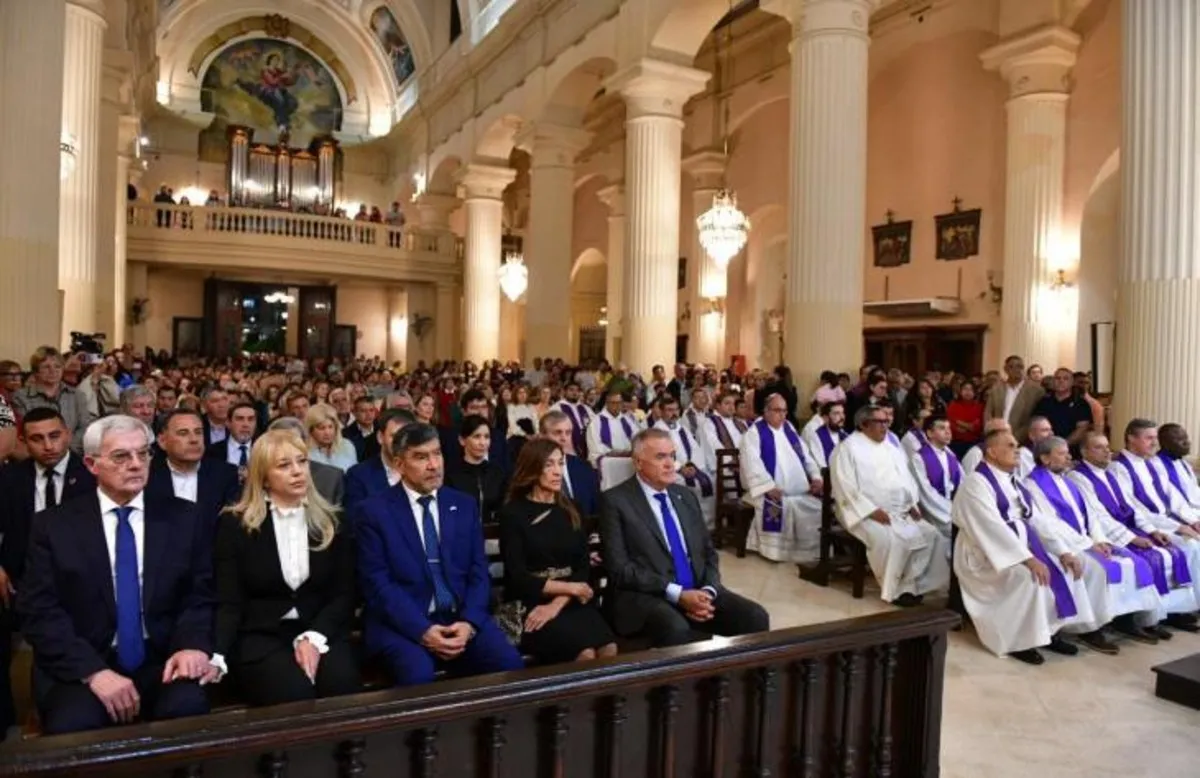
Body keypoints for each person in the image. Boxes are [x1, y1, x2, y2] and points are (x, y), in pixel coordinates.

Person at [19, 415, 216, 734]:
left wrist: (191, 646)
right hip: (85, 661)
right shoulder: (54, 526)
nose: (136, 464)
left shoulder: (184, 518)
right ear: (92, 464)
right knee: (74, 727)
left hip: (161, 657)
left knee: (189, 710)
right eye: (121, 456)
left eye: (144, 453)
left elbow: (199, 595)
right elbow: (39, 611)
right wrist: (94, 673)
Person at [354, 423, 523, 685]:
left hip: (460, 616)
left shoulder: (462, 505)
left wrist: (469, 623)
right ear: (399, 464)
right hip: (403, 623)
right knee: (417, 674)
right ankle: (422, 729)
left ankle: (490, 726)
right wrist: (422, 630)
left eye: (437, 454)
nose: (434, 465)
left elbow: (479, 572)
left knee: (508, 663)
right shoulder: (374, 513)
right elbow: (378, 585)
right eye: (421, 457)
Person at [213, 430, 361, 705]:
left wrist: (314, 638)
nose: (297, 472)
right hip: (262, 635)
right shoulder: (235, 525)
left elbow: (344, 592)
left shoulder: (332, 521)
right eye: (284, 465)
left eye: (301, 461)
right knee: (293, 696)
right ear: (263, 476)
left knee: (342, 689)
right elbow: (229, 599)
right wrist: (217, 653)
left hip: (321, 628)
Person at [599, 428, 769, 647]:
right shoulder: (615, 501)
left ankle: (742, 681)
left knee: (755, 616)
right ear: (638, 462)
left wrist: (708, 590)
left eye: (672, 455)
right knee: (675, 628)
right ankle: (684, 682)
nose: (670, 464)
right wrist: (677, 594)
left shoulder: (685, 496)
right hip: (646, 596)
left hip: (697, 590)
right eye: (660, 457)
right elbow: (620, 569)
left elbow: (708, 552)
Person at [950, 429, 1092, 664]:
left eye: (1016, 444)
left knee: (1062, 567)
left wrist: (1062, 551)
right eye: (1009, 445)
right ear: (992, 452)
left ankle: (1049, 632)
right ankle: (1020, 640)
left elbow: (1036, 520)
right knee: (1030, 578)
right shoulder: (976, 483)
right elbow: (991, 527)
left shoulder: (1013, 481)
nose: (1017, 450)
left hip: (1019, 545)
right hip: (985, 554)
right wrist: (1027, 558)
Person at [0, 408, 96, 737]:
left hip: (78, 580)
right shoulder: (10, 478)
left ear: (68, 434)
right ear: (24, 442)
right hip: (18, 578)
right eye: (37, 439)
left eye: (55, 436)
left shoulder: (91, 477)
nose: (49, 446)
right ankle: (9, 725)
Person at [1025, 436, 1162, 651]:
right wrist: (1087, 544)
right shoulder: (1033, 484)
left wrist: (1099, 539)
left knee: (1131, 563)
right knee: (1098, 569)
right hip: (1059, 545)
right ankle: (1088, 628)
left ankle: (1124, 620)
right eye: (1062, 453)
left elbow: (1091, 516)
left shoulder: (1068, 481)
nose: (1069, 457)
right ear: (1044, 458)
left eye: (1067, 452)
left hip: (1084, 541)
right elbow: (1048, 524)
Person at [1068, 430, 1199, 635]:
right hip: (1109, 533)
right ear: (1084, 452)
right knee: (1149, 560)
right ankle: (1136, 619)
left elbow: (1133, 505)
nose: (1106, 452)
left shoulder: (1109, 473)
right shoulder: (1079, 477)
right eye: (1098, 447)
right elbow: (1098, 516)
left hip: (1130, 527)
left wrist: (1151, 530)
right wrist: (1132, 538)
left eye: (1107, 447)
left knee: (1171, 552)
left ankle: (1168, 613)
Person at [498, 439, 617, 664]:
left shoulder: (572, 508)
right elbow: (518, 578)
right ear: (533, 468)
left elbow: (582, 567)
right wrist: (570, 588)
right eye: (548, 465)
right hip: (531, 603)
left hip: (568, 601)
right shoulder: (513, 513)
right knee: (585, 654)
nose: (557, 471)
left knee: (608, 649)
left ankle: (606, 699)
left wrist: (557, 603)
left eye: (560, 463)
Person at [830, 406, 950, 606]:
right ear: (864, 424)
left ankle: (915, 585)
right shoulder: (848, 448)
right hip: (863, 513)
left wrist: (912, 503)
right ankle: (896, 590)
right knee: (889, 540)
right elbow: (845, 486)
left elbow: (907, 479)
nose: (885, 426)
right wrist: (871, 511)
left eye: (886, 421)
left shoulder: (892, 448)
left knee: (931, 535)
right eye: (880, 422)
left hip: (900, 511)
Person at [738, 393, 824, 563]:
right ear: (766, 411)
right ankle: (775, 551)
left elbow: (806, 455)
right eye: (777, 410)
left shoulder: (789, 429)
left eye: (785, 411)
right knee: (782, 507)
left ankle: (808, 550)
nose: (782, 415)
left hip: (798, 490)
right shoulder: (755, 433)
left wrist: (815, 477)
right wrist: (767, 486)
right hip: (769, 491)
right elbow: (752, 462)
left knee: (817, 507)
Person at [147, 408, 241, 536]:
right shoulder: (147, 476)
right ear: (162, 441)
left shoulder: (225, 474)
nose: (194, 439)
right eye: (183, 433)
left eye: (198, 432)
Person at [652, 394, 717, 529]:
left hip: (689, 468)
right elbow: (661, 455)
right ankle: (687, 527)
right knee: (685, 485)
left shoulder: (681, 428)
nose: (674, 413)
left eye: (676, 410)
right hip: (669, 471)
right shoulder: (657, 431)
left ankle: (707, 527)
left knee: (710, 481)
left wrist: (694, 466)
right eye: (669, 410)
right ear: (661, 412)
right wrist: (680, 468)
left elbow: (695, 449)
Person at [344, 408, 415, 515]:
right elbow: (356, 522)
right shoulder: (358, 476)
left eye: (407, 437)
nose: (401, 442)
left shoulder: (423, 470)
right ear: (380, 438)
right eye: (394, 436)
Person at [268, 416, 345, 507]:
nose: (289, 447)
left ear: (305, 443)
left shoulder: (331, 477)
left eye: (295, 441)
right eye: (282, 442)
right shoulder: (264, 476)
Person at [444, 415, 508, 525]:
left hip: (492, 537)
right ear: (462, 440)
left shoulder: (498, 473)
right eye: (476, 436)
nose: (482, 443)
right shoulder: (451, 475)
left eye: (487, 437)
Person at [540, 410, 600, 517]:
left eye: (568, 433)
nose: (564, 438)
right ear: (542, 436)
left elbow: (596, 510)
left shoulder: (584, 468)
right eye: (557, 433)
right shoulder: (531, 468)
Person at [908, 416, 962, 533]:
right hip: (935, 513)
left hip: (955, 508)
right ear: (930, 433)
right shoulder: (919, 458)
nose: (948, 432)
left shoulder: (951, 456)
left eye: (949, 428)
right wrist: (951, 511)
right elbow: (925, 492)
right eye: (942, 428)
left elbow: (963, 483)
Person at [984, 355, 1044, 443]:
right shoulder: (997, 389)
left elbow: (1034, 417)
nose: (1016, 370)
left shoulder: (1035, 390)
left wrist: (1016, 437)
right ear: (1005, 369)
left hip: (1022, 439)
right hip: (996, 436)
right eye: (1012, 367)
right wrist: (991, 432)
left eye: (1020, 367)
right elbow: (988, 413)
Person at [207, 401, 259, 481]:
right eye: (240, 419)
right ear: (228, 423)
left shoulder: (265, 450)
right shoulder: (212, 452)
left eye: (251, 419)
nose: (246, 424)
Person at [586, 390, 638, 467]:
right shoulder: (596, 421)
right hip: (608, 460)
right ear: (607, 404)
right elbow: (594, 446)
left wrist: (630, 451)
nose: (617, 405)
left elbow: (637, 437)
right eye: (613, 403)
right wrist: (615, 453)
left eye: (619, 402)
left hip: (627, 458)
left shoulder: (627, 420)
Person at [1157, 423, 1200, 509]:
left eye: (1186, 438)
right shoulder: (1156, 465)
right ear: (1166, 443)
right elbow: (1172, 502)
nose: (1187, 442)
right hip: (1183, 515)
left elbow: (1194, 491)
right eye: (1180, 439)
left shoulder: (1184, 463)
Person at [802, 401, 848, 470]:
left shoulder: (845, 435)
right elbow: (821, 466)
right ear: (825, 418)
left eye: (843, 413)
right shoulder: (816, 436)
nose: (842, 417)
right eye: (836, 413)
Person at [343, 395, 380, 462]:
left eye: (371, 410)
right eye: (363, 411)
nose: (368, 414)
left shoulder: (383, 429)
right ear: (354, 413)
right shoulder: (346, 434)